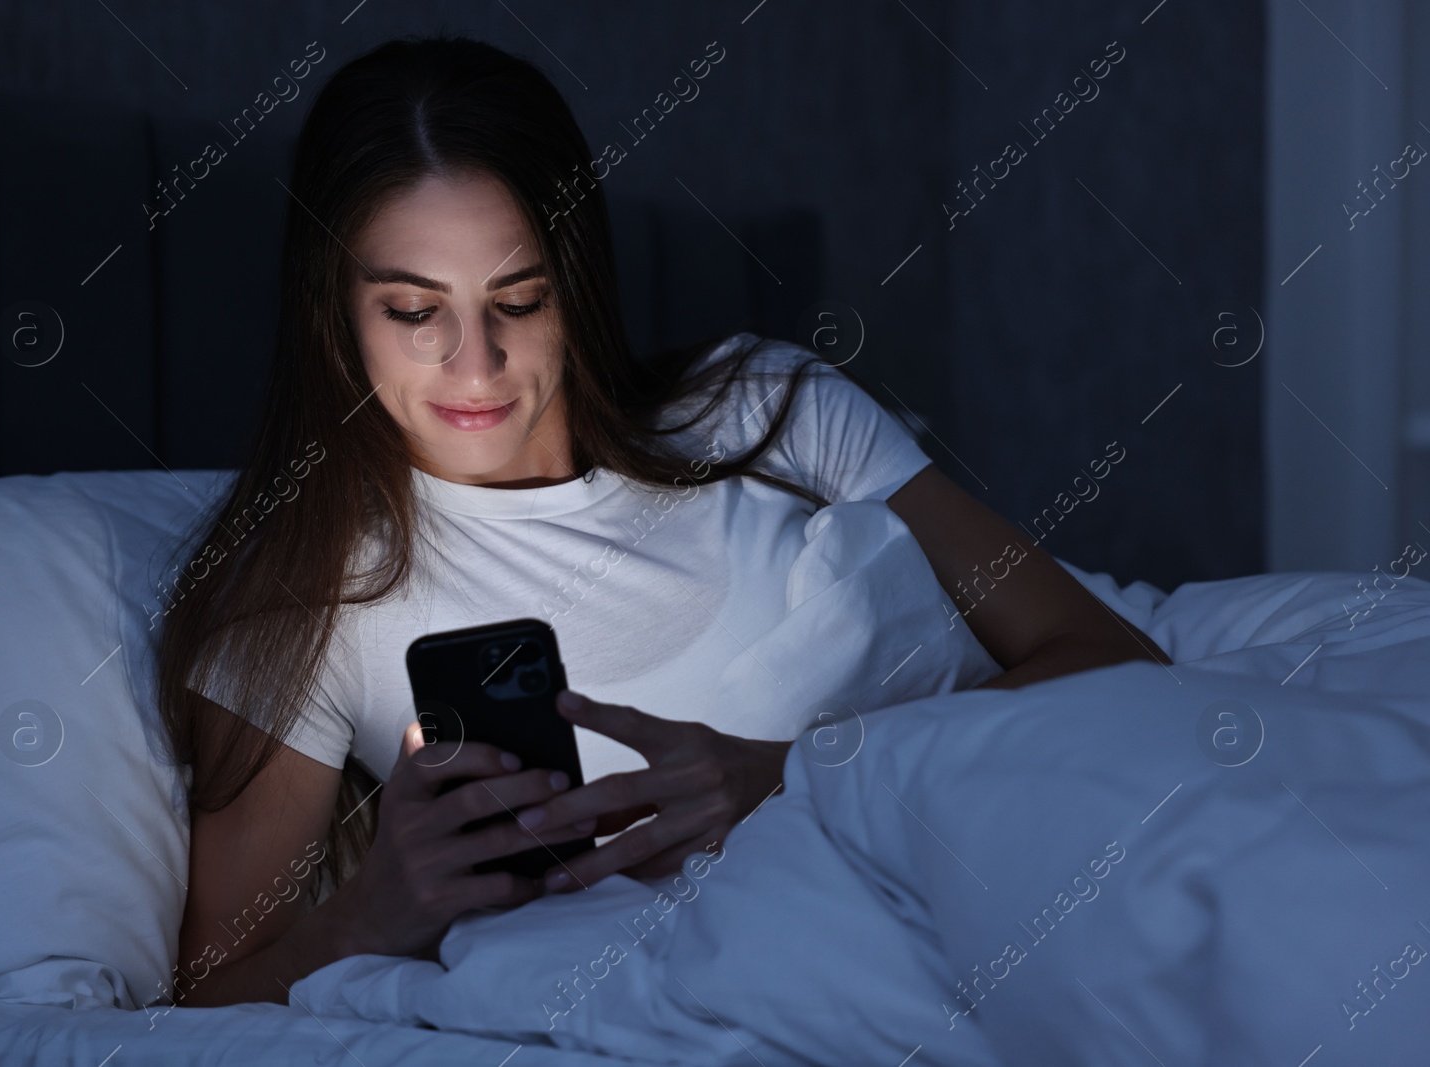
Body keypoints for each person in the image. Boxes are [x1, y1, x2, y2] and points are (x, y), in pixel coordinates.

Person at [155, 33, 1170, 1008]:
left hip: (1031, 865)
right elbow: (208, 996)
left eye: (519, 298)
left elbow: (1111, 660)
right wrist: (373, 912)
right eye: (415, 311)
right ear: (336, 313)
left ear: (578, 288)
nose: (474, 364)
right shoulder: (303, 595)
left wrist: (787, 778)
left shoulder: (771, 406)